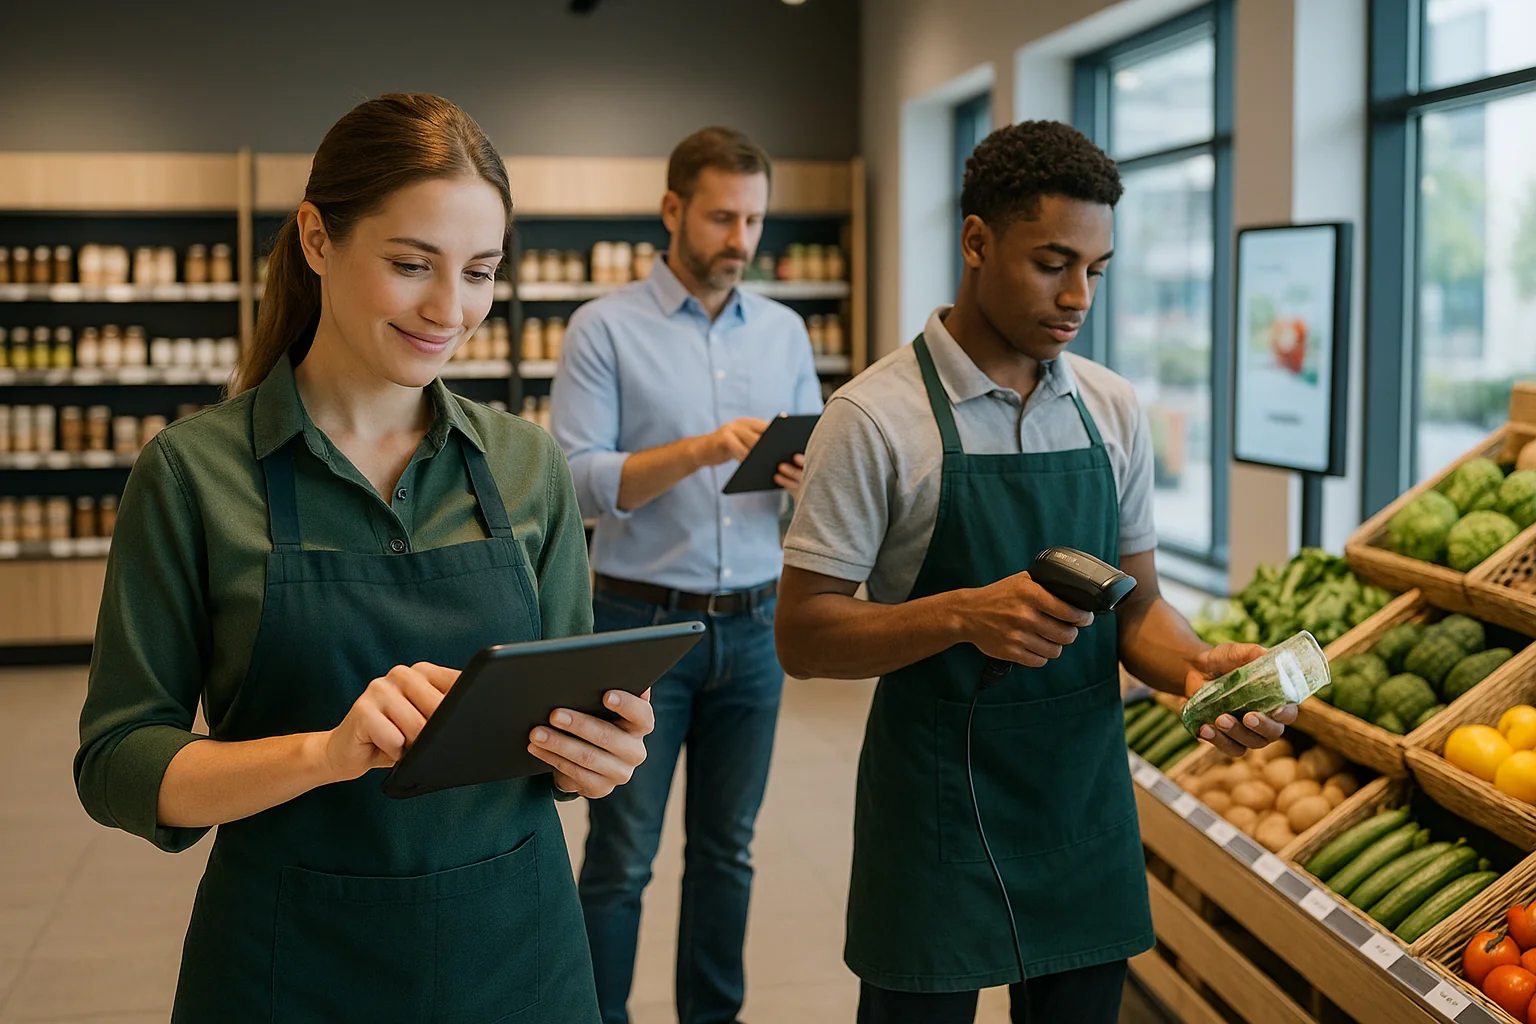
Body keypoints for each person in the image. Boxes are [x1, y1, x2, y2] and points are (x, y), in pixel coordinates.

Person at [73, 94, 652, 1023]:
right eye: (411, 265)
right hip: (289, 962)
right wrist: (323, 753)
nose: (449, 309)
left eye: (479, 272)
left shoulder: (528, 465)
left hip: (516, 954)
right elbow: (116, 759)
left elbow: (565, 725)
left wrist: (598, 752)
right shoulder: (193, 475)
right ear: (315, 238)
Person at [773, 120, 1297, 1024]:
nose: (1079, 295)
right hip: (936, 809)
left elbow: (1142, 612)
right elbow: (804, 634)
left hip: (1081, 805)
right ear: (977, 241)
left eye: (1096, 269)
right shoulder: (871, 420)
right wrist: (959, 615)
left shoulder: (1114, 409)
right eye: (1054, 262)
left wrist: (1196, 667)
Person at [551, 126, 823, 1024]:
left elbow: (814, 458)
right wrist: (703, 450)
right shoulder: (604, 327)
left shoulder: (784, 331)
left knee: (727, 853)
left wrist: (800, 470)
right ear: (672, 211)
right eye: (720, 217)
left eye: (752, 219)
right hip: (637, 624)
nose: (740, 239)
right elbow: (579, 478)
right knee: (623, 856)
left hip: (755, 624)